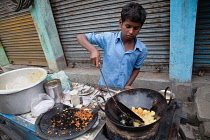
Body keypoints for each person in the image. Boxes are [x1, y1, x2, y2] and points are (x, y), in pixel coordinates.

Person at [76, 2, 147, 89]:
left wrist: (128, 85)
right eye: (128, 26)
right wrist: (93, 50)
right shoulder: (108, 38)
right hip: (103, 87)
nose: (131, 32)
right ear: (120, 23)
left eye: (136, 28)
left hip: (121, 90)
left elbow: (136, 68)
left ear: (140, 28)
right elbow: (80, 37)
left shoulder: (142, 49)